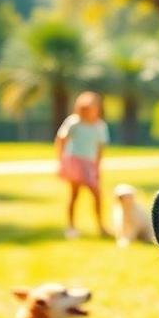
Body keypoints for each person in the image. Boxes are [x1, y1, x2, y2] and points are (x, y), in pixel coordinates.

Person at [55, 91, 110, 239]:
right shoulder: (74, 122)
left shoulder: (99, 126)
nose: (89, 111)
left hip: (90, 164)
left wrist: (97, 167)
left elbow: (100, 149)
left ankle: (101, 226)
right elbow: (61, 139)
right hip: (75, 162)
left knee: (97, 195)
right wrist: (60, 161)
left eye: (92, 108)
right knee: (74, 195)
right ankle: (71, 227)